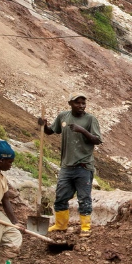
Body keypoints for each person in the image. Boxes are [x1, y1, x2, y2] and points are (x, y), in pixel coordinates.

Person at [39, 95, 102, 234]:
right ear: (70, 103)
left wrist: (82, 130)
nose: (81, 106)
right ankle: (60, 225)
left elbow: (97, 140)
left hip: (84, 166)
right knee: (60, 197)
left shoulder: (90, 119)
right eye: (77, 103)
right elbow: (50, 131)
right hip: (66, 166)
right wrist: (44, 125)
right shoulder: (63, 116)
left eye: (83, 103)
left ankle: (85, 227)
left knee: (84, 198)